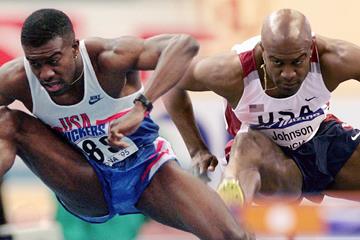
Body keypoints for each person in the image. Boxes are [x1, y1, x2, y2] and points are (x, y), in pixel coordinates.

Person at [0, 8, 253, 240]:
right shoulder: (17, 79)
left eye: (54, 60)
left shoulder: (108, 59)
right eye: (36, 63)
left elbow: (184, 46)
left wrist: (141, 106)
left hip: (146, 171)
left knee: (234, 235)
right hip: (85, 183)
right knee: (7, 122)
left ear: (75, 47)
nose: (45, 74)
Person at [163, 8, 360, 207]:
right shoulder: (229, 71)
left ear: (310, 50)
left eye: (297, 62)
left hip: (321, 138)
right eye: (277, 63)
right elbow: (170, 80)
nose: (288, 73)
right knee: (246, 142)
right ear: (263, 52)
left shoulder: (336, 58)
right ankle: (231, 202)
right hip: (269, 160)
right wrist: (197, 149)